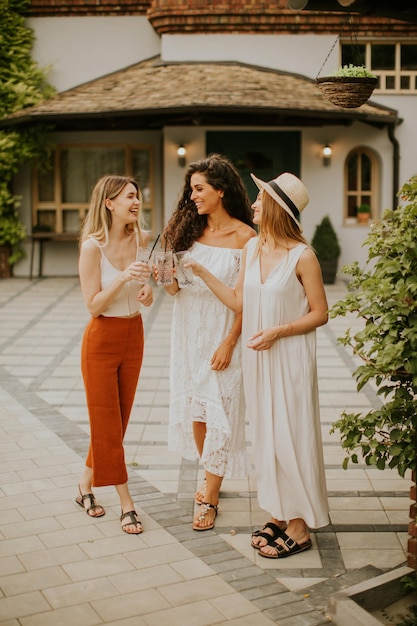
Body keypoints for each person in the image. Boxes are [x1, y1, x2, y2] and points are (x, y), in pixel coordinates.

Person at [185, 171, 330, 556]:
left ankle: (299, 529)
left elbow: (320, 313)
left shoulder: (304, 256)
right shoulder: (252, 250)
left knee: (291, 435)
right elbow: (238, 303)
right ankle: (279, 513)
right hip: (257, 359)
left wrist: (278, 331)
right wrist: (201, 271)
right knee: (266, 437)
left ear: (277, 208)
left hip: (290, 358)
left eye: (260, 198)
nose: (252, 204)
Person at [161, 153, 256, 531]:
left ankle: (209, 497)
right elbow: (172, 289)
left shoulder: (246, 237)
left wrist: (230, 342)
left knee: (222, 415)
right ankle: (210, 474)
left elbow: (249, 300)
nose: (193, 196)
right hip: (188, 330)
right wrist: (163, 273)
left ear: (220, 190)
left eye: (199, 189)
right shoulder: (186, 232)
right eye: (191, 189)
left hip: (223, 332)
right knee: (198, 413)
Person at [76, 174, 153, 535]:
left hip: (133, 334)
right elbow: (92, 306)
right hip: (101, 339)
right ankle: (127, 503)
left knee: (117, 423)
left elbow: (144, 287)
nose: (136, 202)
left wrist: (146, 292)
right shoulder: (92, 246)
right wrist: (123, 278)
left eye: (137, 196)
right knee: (105, 422)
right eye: (128, 197)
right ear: (109, 203)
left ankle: (84, 486)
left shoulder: (143, 239)